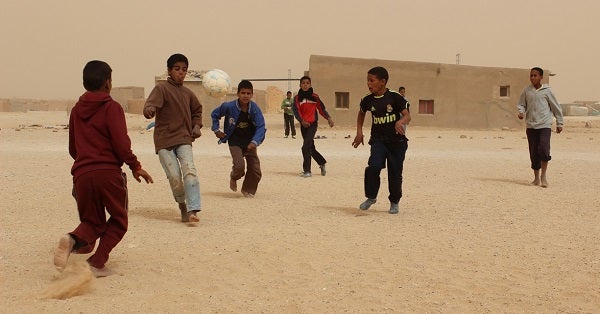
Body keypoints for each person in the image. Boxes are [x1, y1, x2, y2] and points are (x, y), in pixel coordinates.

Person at [54, 60, 154, 277]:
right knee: (119, 220)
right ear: (108, 83)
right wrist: (135, 166)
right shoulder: (112, 107)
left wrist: (85, 162)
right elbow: (121, 143)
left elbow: (73, 147)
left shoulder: (76, 110)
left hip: (81, 174)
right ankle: (97, 263)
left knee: (92, 222)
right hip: (108, 174)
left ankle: (71, 240)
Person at [143, 53, 203, 223]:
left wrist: (196, 125)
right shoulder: (161, 89)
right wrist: (149, 110)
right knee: (175, 177)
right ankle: (182, 205)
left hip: (184, 138)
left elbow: (197, 111)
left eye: (184, 70)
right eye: (177, 69)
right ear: (169, 70)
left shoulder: (188, 94)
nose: (181, 73)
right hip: (164, 141)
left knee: (190, 172)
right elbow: (151, 104)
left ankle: (193, 210)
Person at [352, 66, 411, 214]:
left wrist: (400, 122)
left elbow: (407, 115)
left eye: (372, 81)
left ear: (383, 81)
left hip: (397, 143)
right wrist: (359, 132)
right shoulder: (367, 100)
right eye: (367, 80)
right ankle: (371, 197)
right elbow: (361, 114)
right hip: (378, 140)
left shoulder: (395, 97)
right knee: (373, 167)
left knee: (395, 173)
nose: (368, 84)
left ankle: (394, 201)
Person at [211, 80, 266, 197]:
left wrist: (255, 142)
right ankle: (233, 177)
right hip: (234, 141)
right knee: (239, 167)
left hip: (250, 142)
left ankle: (247, 190)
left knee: (255, 169)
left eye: (248, 93)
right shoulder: (229, 106)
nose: (245, 96)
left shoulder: (255, 109)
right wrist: (216, 130)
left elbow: (261, 126)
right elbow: (215, 114)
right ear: (238, 94)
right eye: (243, 93)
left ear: (252, 94)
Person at [517, 67, 563, 188]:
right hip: (531, 126)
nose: (533, 78)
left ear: (541, 77)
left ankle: (544, 177)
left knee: (543, 149)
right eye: (531, 75)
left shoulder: (547, 91)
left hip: (544, 125)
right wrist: (521, 112)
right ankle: (536, 178)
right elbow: (521, 104)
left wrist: (559, 123)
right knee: (533, 152)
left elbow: (556, 107)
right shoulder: (527, 90)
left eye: (535, 75)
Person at [293, 76, 334, 177]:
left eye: (307, 83)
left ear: (310, 84)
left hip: (312, 125)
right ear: (300, 85)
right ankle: (322, 163)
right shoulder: (297, 98)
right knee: (310, 148)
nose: (305, 85)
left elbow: (321, 109)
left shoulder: (315, 97)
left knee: (305, 147)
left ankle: (307, 171)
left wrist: (328, 118)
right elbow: (296, 111)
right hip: (304, 125)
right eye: (303, 83)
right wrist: (302, 121)